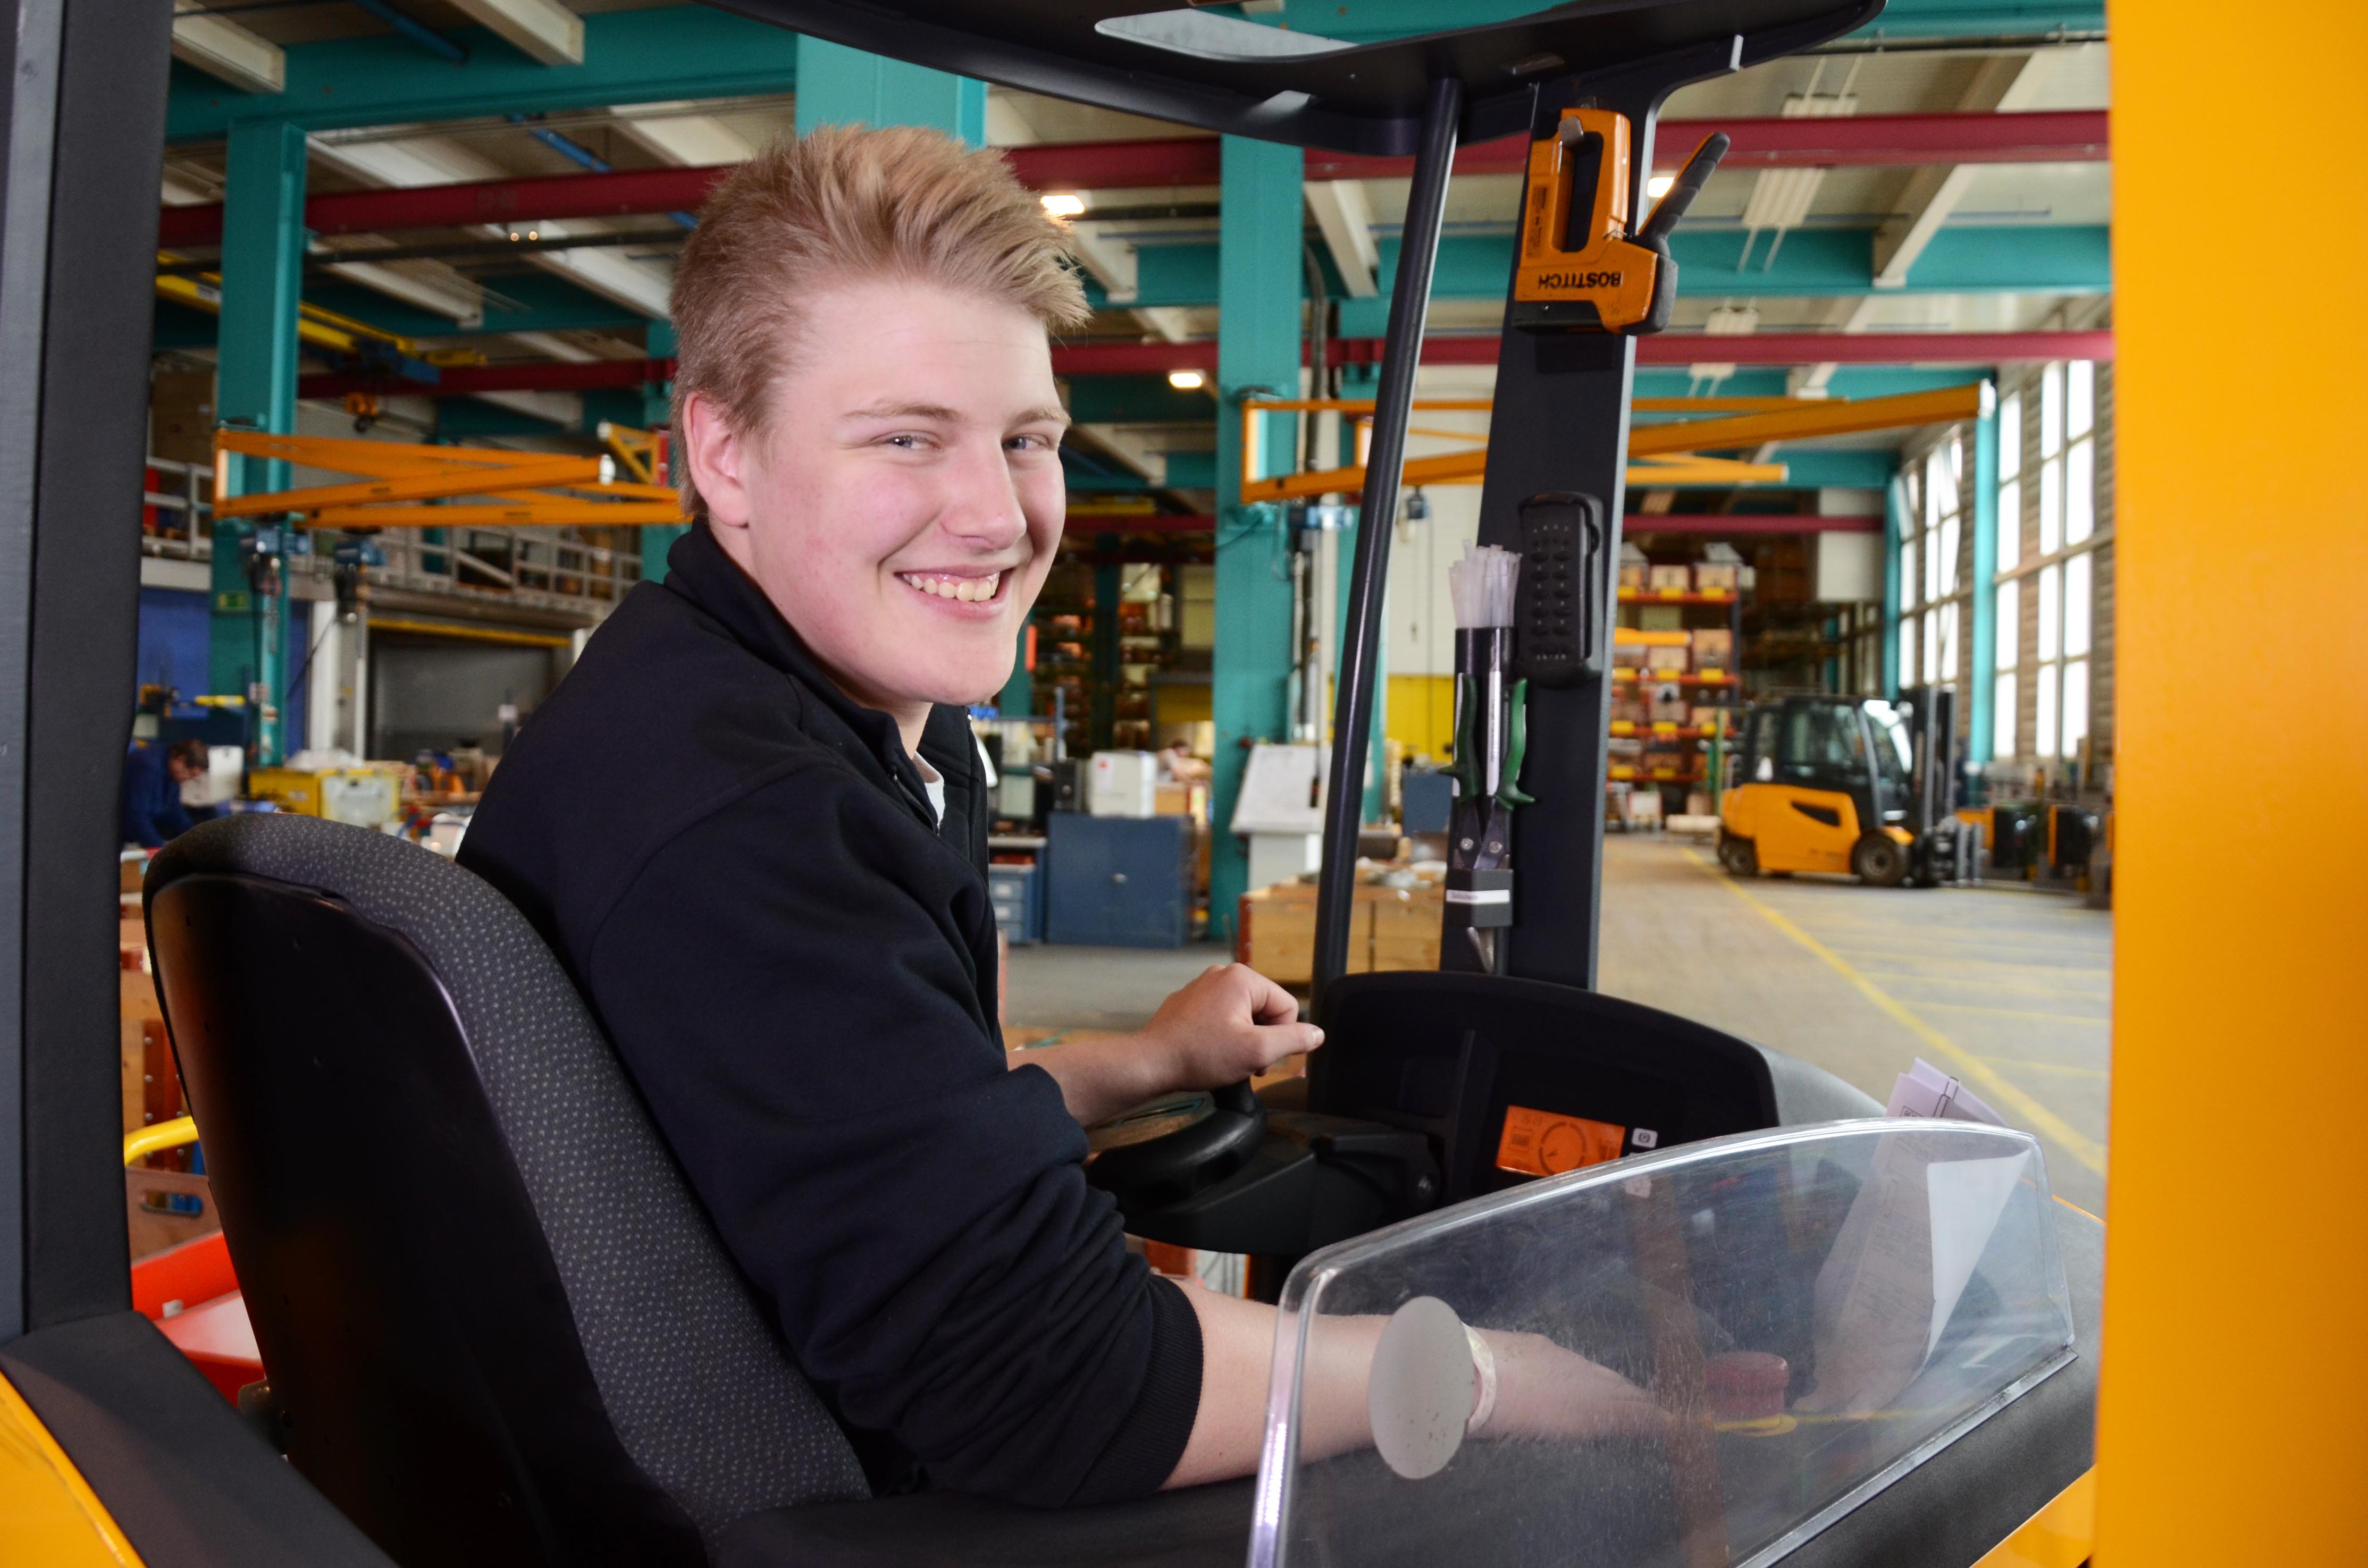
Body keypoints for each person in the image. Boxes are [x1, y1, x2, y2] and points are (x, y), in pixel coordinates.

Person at [458, 127, 1644, 1511]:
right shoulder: (747, 818)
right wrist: (1492, 1373)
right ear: (723, 454)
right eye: (906, 437)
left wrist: (1140, 1061)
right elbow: (1054, 1385)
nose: (998, 515)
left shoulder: (766, 714)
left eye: (1026, 439)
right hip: (815, 1512)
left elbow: (867, 1128)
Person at [121, 737, 207, 849]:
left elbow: (173, 810)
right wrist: (159, 849)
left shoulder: (171, 770)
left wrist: (195, 837)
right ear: (181, 760)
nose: (190, 779)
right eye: (191, 774)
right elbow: (136, 814)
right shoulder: (148, 766)